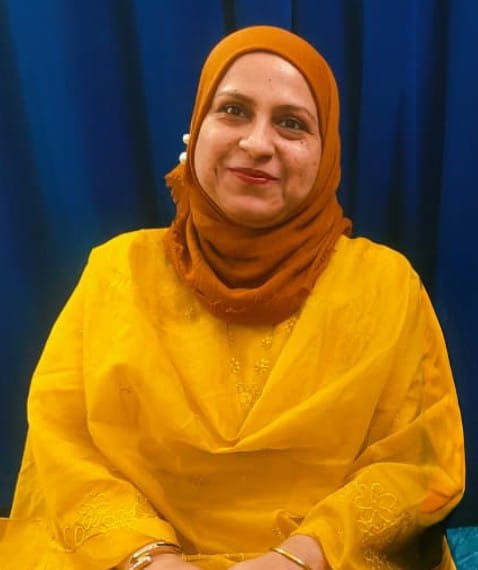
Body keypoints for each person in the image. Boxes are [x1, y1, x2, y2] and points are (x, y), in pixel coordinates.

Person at [0, 25, 464, 570]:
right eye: (234, 111)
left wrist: (299, 557)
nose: (257, 143)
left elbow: (420, 461)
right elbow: (63, 442)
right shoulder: (116, 272)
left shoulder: (384, 285)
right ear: (196, 130)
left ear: (327, 154)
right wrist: (150, 558)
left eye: (292, 123)